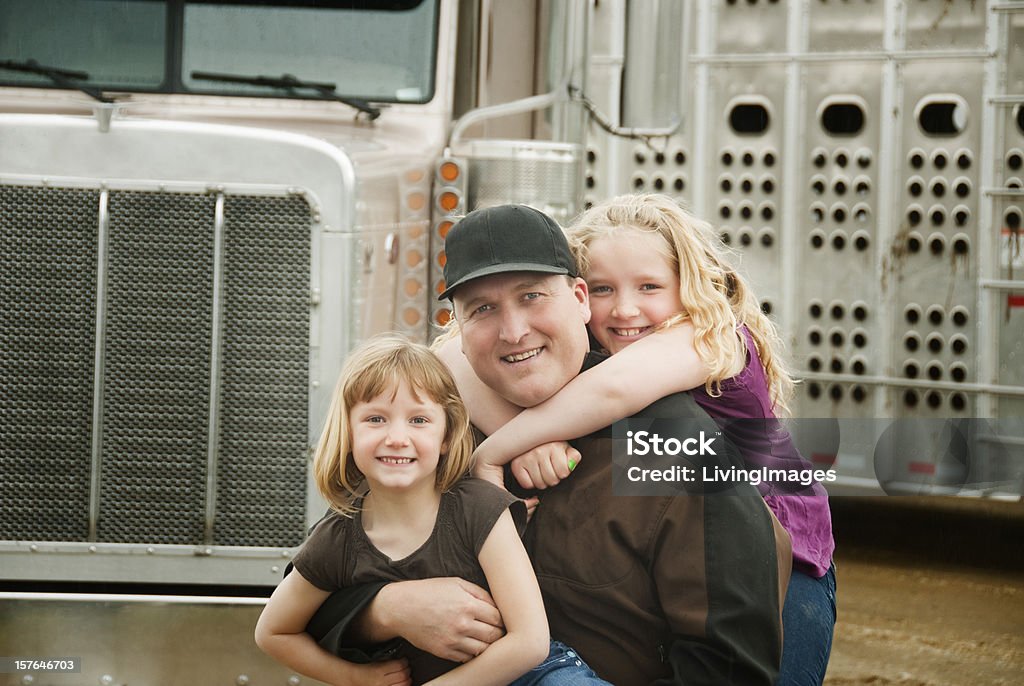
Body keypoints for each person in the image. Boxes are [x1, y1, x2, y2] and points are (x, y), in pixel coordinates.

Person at [307, 203, 792, 685]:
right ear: (458, 325)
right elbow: (310, 593)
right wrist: (384, 611)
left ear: (581, 300)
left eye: (532, 296)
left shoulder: (677, 449)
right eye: (483, 308)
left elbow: (730, 669)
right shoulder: (428, 435)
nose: (514, 331)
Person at [467, 194, 836, 686]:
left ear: (690, 288)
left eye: (649, 286)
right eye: (602, 288)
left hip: (786, 542)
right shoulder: (601, 339)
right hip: (695, 541)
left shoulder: (712, 337)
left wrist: (500, 448)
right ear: (577, 294)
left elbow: (615, 389)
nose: (624, 308)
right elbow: (451, 356)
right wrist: (534, 437)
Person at [256, 334, 570, 686]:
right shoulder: (339, 536)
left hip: (530, 676)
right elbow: (273, 632)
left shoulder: (479, 508)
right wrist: (356, 677)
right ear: (348, 431)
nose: (397, 437)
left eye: (418, 420)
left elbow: (530, 642)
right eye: (376, 419)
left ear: (446, 436)